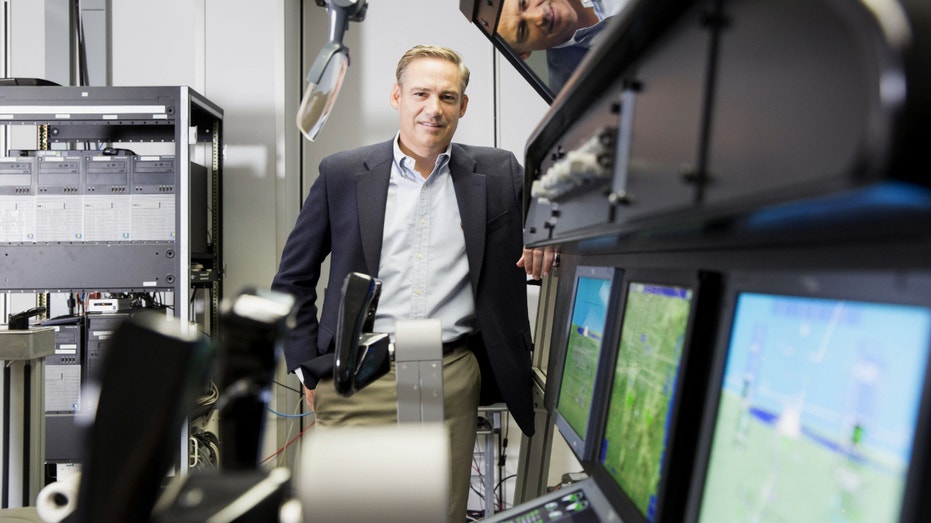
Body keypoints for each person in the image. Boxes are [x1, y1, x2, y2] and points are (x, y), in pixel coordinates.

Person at [271, 44, 556, 522]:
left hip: (449, 373)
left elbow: (557, 219)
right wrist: (306, 369)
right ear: (397, 97)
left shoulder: (499, 172)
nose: (434, 108)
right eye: (421, 93)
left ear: (463, 107)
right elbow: (292, 279)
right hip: (357, 374)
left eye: (448, 97)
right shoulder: (342, 174)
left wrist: (550, 233)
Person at [496, 0, 628, 93]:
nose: (539, 15)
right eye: (522, 30)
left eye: (523, 3)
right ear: (522, 53)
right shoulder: (572, 91)